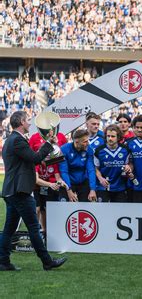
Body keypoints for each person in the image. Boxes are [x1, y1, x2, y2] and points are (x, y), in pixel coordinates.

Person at [0, 111, 66, 271]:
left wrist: (48, 155)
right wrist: (49, 144)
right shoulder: (17, 141)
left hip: (13, 191)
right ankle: (47, 261)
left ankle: (3, 261)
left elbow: (31, 160)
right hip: (19, 191)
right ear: (22, 122)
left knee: (9, 228)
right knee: (34, 227)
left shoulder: (13, 140)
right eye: (28, 120)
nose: (30, 123)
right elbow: (35, 158)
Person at [94, 125, 132, 203]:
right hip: (103, 187)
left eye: (113, 136)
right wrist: (101, 179)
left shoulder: (125, 150)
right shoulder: (99, 150)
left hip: (120, 187)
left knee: (119, 213)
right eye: (108, 136)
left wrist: (129, 167)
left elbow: (130, 164)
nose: (110, 138)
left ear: (118, 137)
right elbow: (96, 168)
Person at [59, 129, 97, 202]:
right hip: (68, 181)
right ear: (76, 142)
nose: (88, 143)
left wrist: (92, 189)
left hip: (83, 182)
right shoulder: (64, 149)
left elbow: (91, 170)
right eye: (85, 141)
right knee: (64, 207)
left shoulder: (89, 149)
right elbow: (64, 171)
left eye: (87, 140)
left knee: (85, 208)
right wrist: (69, 189)